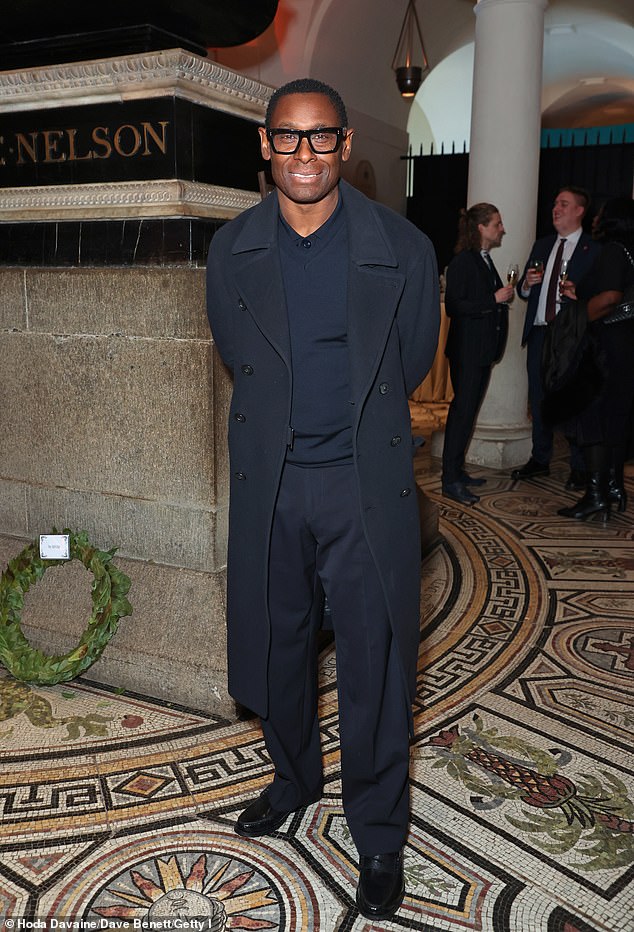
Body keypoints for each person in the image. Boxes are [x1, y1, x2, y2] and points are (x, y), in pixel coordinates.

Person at [206, 78, 439, 921]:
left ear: (344, 146)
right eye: (287, 138)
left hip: (361, 486)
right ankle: (294, 778)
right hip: (271, 484)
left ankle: (378, 830)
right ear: (265, 149)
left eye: (321, 137)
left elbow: (408, 362)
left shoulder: (405, 250)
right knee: (278, 645)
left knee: (376, 663)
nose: (304, 154)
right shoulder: (229, 250)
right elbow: (241, 355)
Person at [513, 187, 600, 485]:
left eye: (563, 204)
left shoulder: (593, 250)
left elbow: (601, 296)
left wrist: (580, 293)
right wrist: (526, 283)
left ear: (579, 211)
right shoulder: (542, 245)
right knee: (538, 400)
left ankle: (579, 465)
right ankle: (540, 458)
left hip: (570, 338)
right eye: (554, 204)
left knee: (571, 399)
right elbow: (524, 290)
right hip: (539, 334)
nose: (556, 208)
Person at [557, 196, 634, 521]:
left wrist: (577, 314)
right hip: (625, 348)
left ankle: (595, 496)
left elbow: (610, 298)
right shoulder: (631, 253)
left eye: (601, 213)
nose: (595, 218)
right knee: (616, 420)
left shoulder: (613, 251)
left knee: (594, 421)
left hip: (605, 348)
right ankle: (614, 485)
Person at [441, 204, 514, 504]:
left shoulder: (484, 260)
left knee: (468, 414)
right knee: (461, 415)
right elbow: (455, 306)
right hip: (467, 353)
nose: (502, 229)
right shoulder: (462, 263)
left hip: (482, 352)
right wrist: (493, 299)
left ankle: (458, 473)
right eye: (497, 224)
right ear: (482, 228)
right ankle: (450, 480)